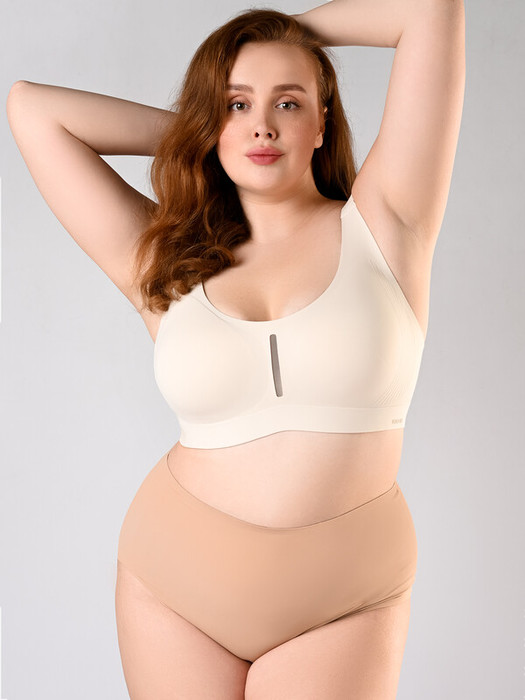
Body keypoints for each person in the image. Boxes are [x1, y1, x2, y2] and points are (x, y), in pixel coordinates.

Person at [6, 1, 465, 697]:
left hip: (342, 596)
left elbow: (430, 8)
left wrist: (289, 32)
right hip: (175, 585)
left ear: (322, 122)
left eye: (288, 102)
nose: (262, 125)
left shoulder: (387, 223)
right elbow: (33, 110)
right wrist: (205, 133)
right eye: (238, 104)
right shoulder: (164, 259)